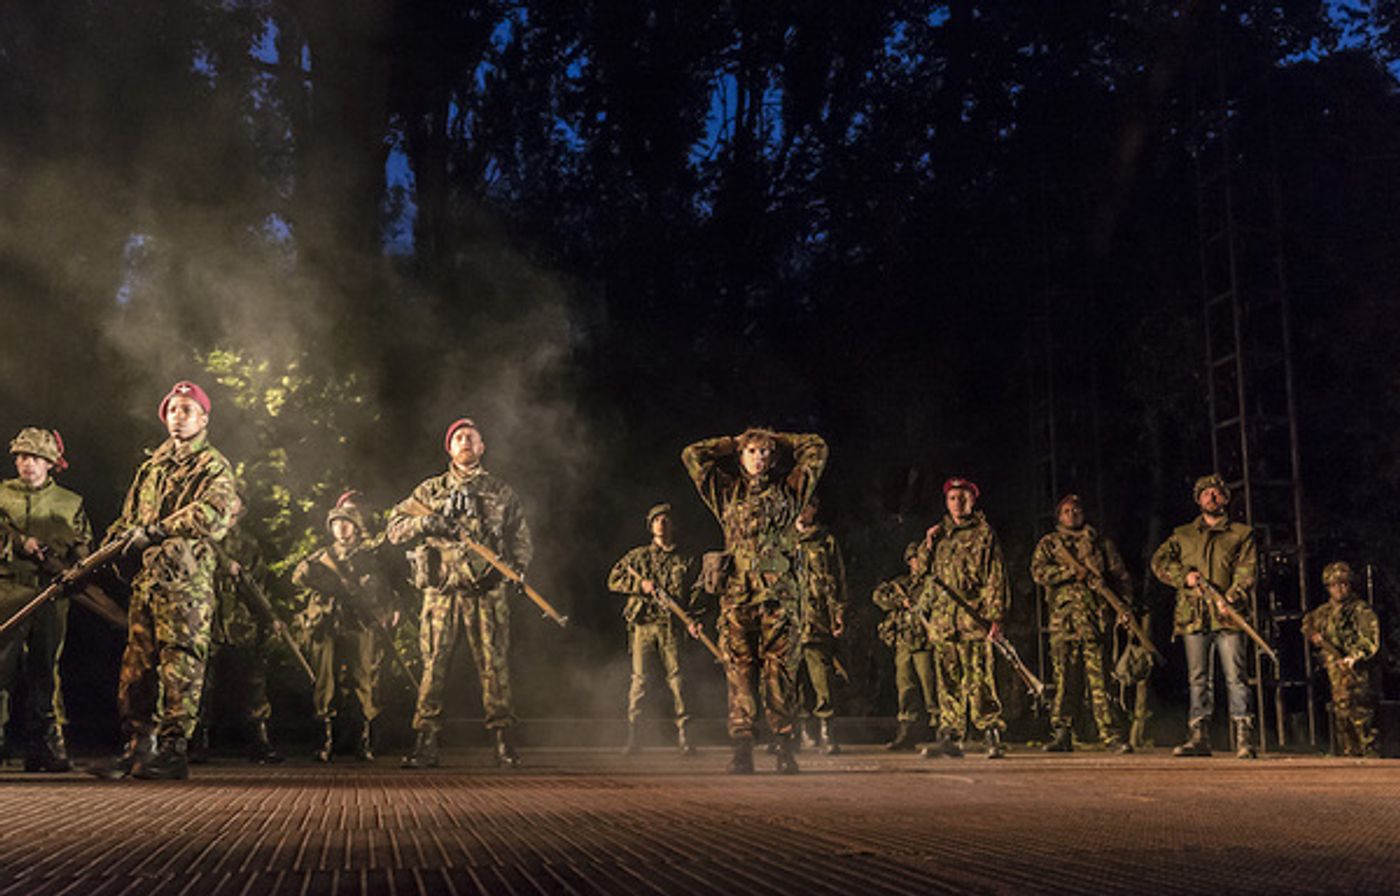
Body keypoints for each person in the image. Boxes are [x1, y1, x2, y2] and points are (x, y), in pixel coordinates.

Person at [92, 381, 238, 780]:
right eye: (173, 410)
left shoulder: (213, 466)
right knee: (137, 668)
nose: (178, 416)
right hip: (148, 582)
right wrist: (104, 551)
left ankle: (173, 751)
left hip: (185, 584)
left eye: (187, 410)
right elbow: (129, 520)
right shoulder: (151, 468)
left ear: (203, 418)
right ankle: (138, 749)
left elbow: (214, 515)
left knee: (182, 666)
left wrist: (156, 531)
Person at [388, 417, 531, 769]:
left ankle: (502, 741)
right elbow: (393, 528)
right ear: (449, 448)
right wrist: (425, 522)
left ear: (482, 448)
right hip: (441, 591)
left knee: (495, 665)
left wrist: (519, 569)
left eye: (472, 437)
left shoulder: (500, 491)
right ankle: (426, 742)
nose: (465, 441)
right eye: (458, 437)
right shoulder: (429, 491)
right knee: (433, 666)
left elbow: (520, 538)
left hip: (487, 590)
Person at [682, 428, 827, 774]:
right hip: (737, 598)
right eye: (751, 451)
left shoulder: (790, 492)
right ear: (741, 457)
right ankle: (742, 747)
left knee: (781, 675)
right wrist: (730, 442)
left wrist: (778, 437)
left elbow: (817, 448)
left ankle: (783, 746)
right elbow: (691, 454)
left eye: (764, 452)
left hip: (778, 600)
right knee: (740, 673)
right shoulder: (726, 492)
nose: (759, 457)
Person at [0, 427, 92, 771]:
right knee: (1, 667)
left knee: (45, 669)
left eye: (36, 457)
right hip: (7, 589)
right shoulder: (1, 495)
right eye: (22, 457)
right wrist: (17, 545)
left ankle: (48, 745)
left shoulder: (70, 503)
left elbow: (84, 550)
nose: (27, 464)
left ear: (50, 463)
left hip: (51, 593)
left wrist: (76, 573)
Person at [1150, 473, 1258, 759]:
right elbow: (1159, 562)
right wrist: (1184, 577)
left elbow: (1247, 571)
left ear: (1225, 498)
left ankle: (1244, 736)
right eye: (1205, 493)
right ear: (1198, 499)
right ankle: (1198, 736)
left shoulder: (1241, 533)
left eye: (1216, 492)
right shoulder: (1183, 534)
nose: (1211, 497)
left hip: (1227, 616)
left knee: (1236, 676)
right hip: (1193, 616)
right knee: (1198, 678)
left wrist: (1232, 596)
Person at [294, 491, 395, 762]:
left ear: (356, 527)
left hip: (357, 623)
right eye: (336, 523)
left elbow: (380, 588)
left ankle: (362, 741)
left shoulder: (367, 558)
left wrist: (365, 593)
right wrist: (331, 584)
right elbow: (300, 576)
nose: (340, 527)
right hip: (326, 623)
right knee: (323, 684)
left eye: (346, 522)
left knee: (362, 681)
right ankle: (324, 742)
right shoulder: (321, 556)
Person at [1030, 494, 1134, 753]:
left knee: (1100, 680)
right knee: (1065, 679)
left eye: (1076, 509)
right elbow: (1038, 572)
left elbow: (1120, 576)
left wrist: (1125, 607)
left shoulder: (1099, 543)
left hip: (1095, 620)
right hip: (1063, 623)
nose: (1072, 514)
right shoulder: (1051, 544)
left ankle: (1110, 735)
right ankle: (1062, 732)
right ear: (1059, 516)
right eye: (1066, 511)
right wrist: (1070, 572)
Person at [916, 477, 1011, 759]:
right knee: (947, 679)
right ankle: (950, 735)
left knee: (979, 678)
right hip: (945, 621)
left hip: (973, 619)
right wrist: (928, 542)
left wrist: (996, 617)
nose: (958, 502)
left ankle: (990, 731)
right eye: (953, 498)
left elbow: (995, 576)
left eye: (963, 497)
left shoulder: (984, 533)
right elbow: (922, 572)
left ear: (973, 500)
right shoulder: (941, 535)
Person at [193, 493, 282, 764]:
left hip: (240, 624)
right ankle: (196, 740)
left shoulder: (248, 544)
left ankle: (258, 740)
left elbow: (259, 587)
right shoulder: (201, 541)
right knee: (200, 683)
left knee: (252, 684)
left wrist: (269, 618)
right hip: (205, 620)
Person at [606, 503, 696, 756]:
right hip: (643, 625)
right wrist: (639, 586)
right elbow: (613, 580)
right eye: (656, 519)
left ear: (673, 524)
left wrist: (693, 619)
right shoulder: (638, 557)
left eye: (666, 519)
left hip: (671, 626)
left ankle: (684, 736)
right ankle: (634, 737)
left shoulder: (685, 559)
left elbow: (696, 593)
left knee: (678, 681)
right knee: (640, 682)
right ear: (650, 525)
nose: (661, 523)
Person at [1302, 561, 1379, 757]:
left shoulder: (1360, 610)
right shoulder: (1323, 612)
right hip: (1335, 675)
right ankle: (1350, 757)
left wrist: (1354, 657)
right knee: (1341, 717)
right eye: (1335, 585)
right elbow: (1307, 624)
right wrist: (1313, 635)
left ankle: (1371, 757)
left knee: (1361, 717)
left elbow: (1371, 639)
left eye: (1344, 584)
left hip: (1357, 674)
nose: (1340, 589)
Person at [793, 497, 847, 754]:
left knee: (821, 675)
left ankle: (827, 729)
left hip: (816, 620)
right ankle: (802, 730)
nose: (804, 511)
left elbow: (838, 579)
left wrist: (838, 613)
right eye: (800, 505)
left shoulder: (826, 541)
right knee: (792, 678)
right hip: (788, 620)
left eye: (809, 505)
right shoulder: (780, 539)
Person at [872, 542, 936, 751]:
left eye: (918, 558)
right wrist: (900, 601)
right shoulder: (901, 583)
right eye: (913, 559)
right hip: (904, 642)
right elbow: (879, 597)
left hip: (925, 643)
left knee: (931, 687)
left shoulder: (931, 583)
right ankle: (906, 730)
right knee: (905, 687)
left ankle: (938, 729)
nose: (916, 563)